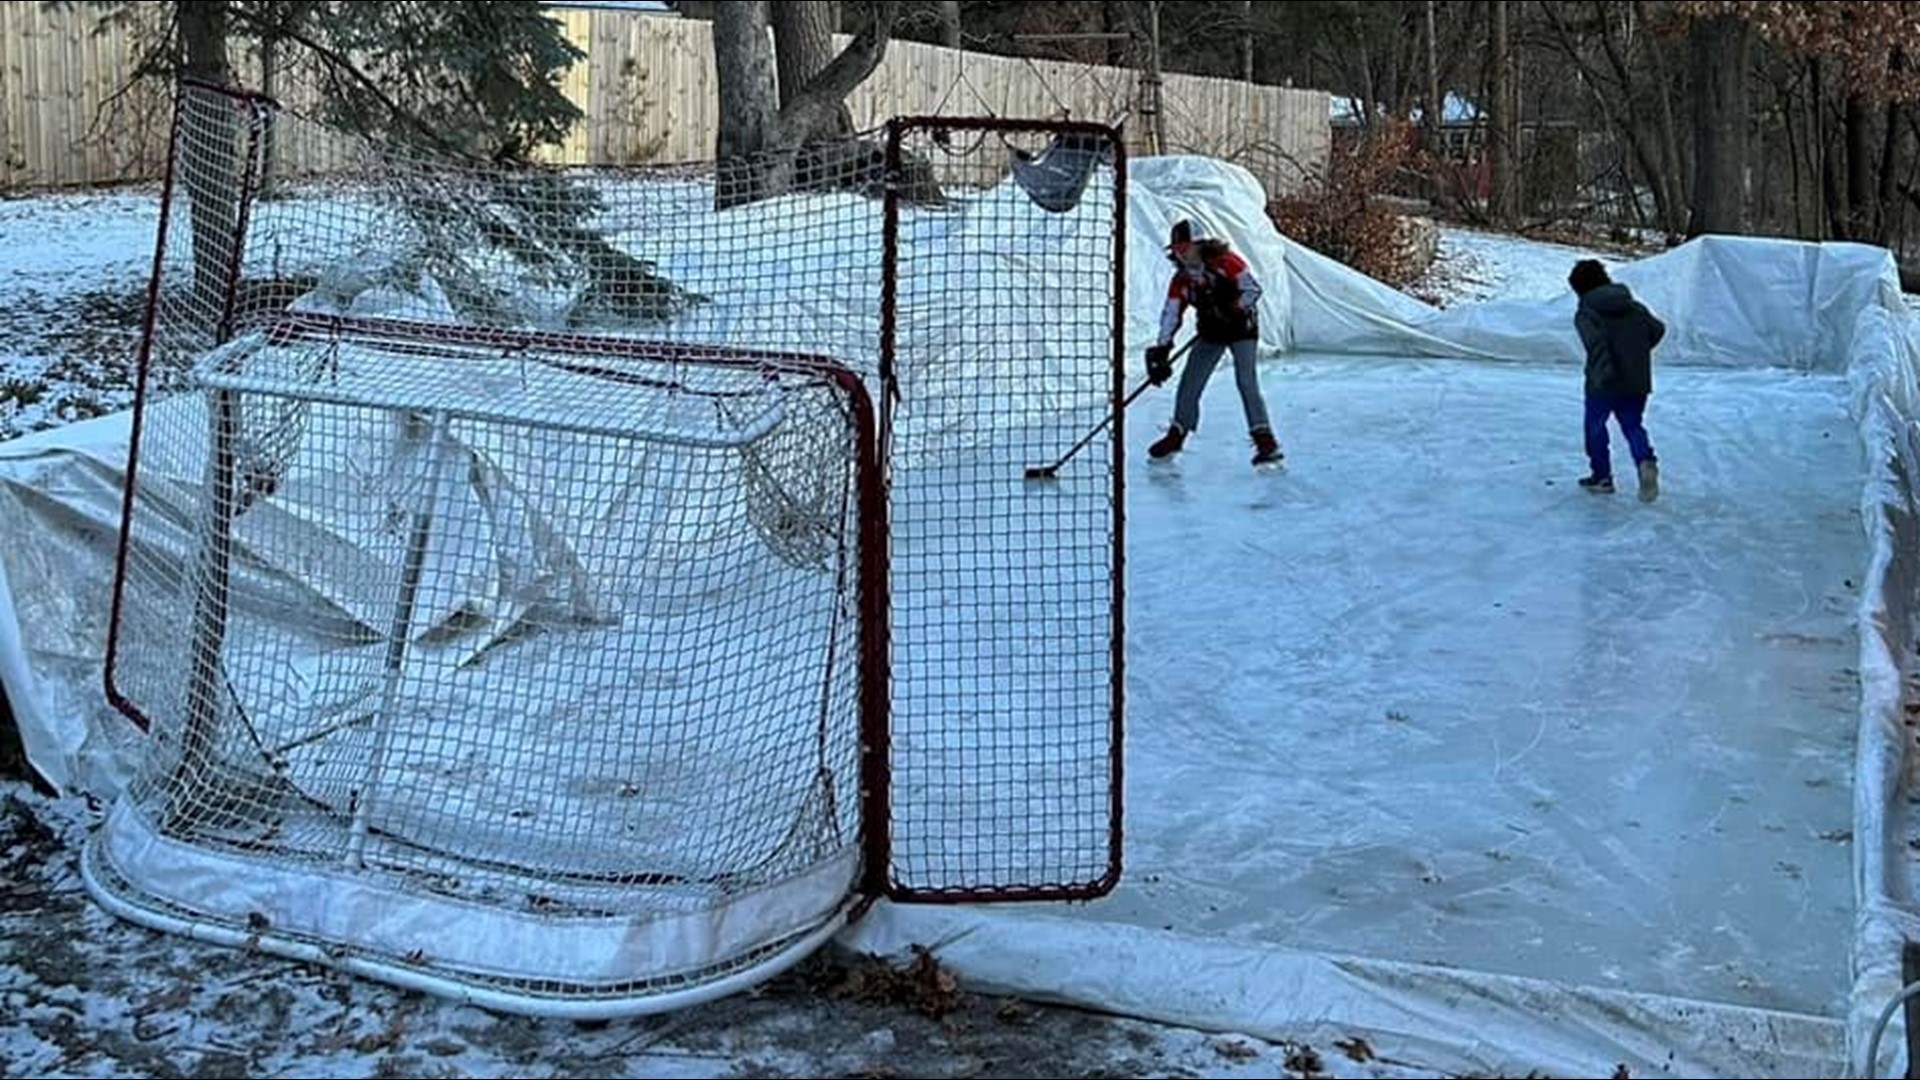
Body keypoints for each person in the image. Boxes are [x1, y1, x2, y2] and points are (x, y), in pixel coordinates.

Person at [1144, 220, 1281, 466]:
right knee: (1190, 382)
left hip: (1241, 330)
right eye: (1176, 248)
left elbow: (1252, 290)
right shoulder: (1182, 280)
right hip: (1211, 332)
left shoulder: (1228, 263)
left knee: (1246, 381)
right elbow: (1171, 313)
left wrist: (1233, 308)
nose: (1180, 253)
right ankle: (1177, 433)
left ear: (1201, 245)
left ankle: (1264, 439)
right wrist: (1162, 348)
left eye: (1185, 247)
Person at [1569, 258, 1664, 501]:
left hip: (1603, 382)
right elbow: (1657, 329)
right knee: (1632, 425)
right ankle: (1645, 461)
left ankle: (1602, 477)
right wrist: (1636, 352)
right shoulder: (1634, 306)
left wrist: (1605, 373)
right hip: (1636, 380)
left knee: (1596, 427)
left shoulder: (1587, 312)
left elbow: (1596, 344)